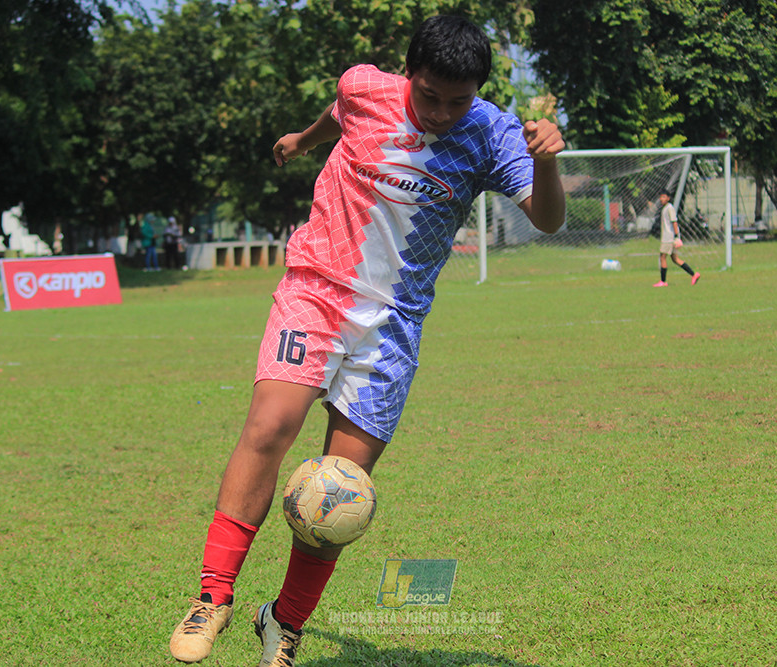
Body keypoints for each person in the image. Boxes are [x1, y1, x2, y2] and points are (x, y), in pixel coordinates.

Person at [168, 15, 566, 667]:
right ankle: (213, 596)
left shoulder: (492, 132)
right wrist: (302, 139)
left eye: (456, 101)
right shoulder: (365, 88)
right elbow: (339, 112)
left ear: (479, 92)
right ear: (407, 74)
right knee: (271, 424)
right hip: (317, 286)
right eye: (428, 95)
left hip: (392, 326)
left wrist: (548, 164)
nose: (440, 113)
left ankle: (284, 622)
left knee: (340, 488)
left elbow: (547, 219)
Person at [654, 191, 700, 287]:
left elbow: (674, 222)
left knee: (662, 257)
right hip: (670, 237)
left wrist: (676, 237)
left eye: (663, 197)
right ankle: (693, 274)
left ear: (668, 198)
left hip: (668, 238)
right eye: (660, 197)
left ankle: (663, 281)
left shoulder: (669, 208)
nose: (661, 199)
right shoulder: (665, 208)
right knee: (675, 259)